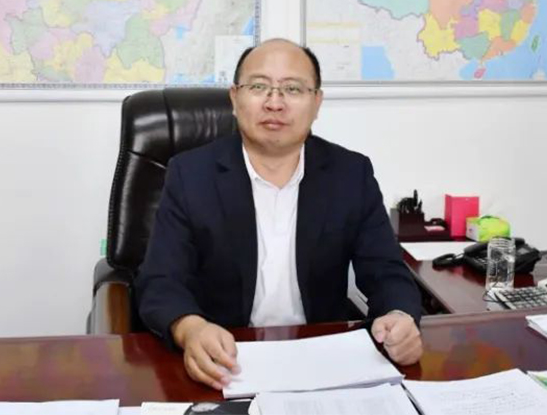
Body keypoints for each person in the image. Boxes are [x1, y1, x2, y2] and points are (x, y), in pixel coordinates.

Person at [136, 38, 423, 390]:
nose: (274, 103)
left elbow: (387, 271)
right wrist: (190, 328)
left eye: (293, 89)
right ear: (234, 98)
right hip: (224, 359)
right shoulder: (190, 174)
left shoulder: (351, 174)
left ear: (317, 102)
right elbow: (161, 280)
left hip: (321, 362)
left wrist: (399, 316)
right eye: (259, 87)